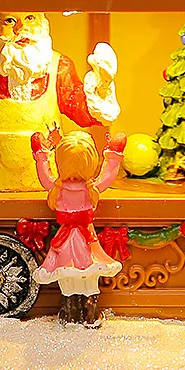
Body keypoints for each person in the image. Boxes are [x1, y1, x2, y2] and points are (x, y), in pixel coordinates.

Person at [0, 11, 118, 191]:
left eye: (30, 18)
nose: (21, 29)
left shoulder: (59, 68)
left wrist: (102, 86)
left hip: (49, 184)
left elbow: (82, 112)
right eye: (9, 21)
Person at [30, 129, 126, 326]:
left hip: (65, 240)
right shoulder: (92, 189)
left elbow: (44, 174)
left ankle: (70, 311)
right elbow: (109, 174)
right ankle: (90, 312)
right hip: (86, 239)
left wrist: (41, 152)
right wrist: (114, 153)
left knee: (66, 275)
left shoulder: (57, 188)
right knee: (88, 275)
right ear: (90, 162)